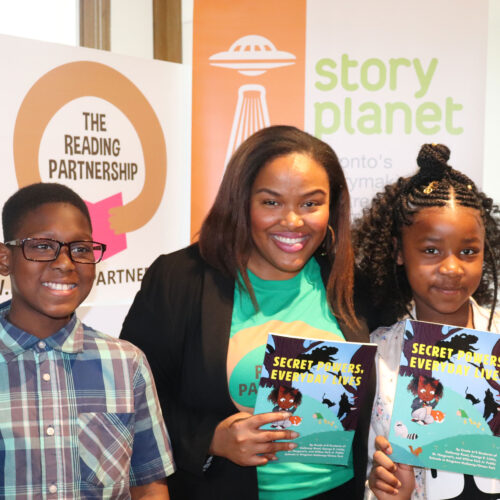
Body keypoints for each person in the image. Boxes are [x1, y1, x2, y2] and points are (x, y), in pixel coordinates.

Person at [120, 125, 374, 500]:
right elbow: (131, 401)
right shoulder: (180, 280)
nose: (293, 221)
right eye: (271, 202)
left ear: (332, 207)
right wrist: (211, 439)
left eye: (310, 203)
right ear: (242, 202)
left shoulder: (353, 284)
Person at [0, 182, 175, 499]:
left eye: (80, 249)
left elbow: (148, 485)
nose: (65, 263)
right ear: (4, 259)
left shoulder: (126, 364)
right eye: (41, 246)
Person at [352, 143, 500, 499]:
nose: (451, 268)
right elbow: (366, 478)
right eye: (431, 250)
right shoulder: (375, 357)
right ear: (399, 252)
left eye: (468, 251)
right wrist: (385, 491)